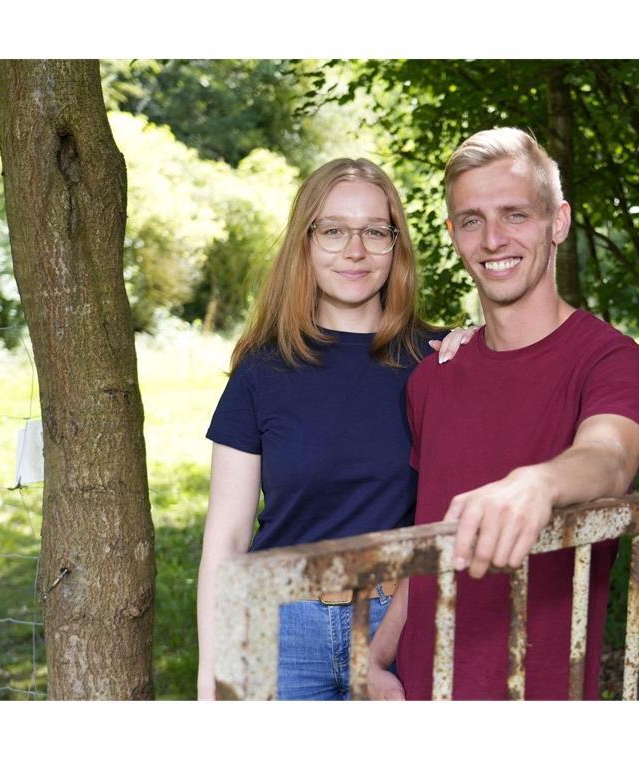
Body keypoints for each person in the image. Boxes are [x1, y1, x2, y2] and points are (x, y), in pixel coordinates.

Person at [368, 128, 639, 700]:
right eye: (471, 220)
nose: (493, 239)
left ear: (558, 222)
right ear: (453, 235)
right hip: (421, 693)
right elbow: (430, 540)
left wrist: (539, 483)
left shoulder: (612, 361)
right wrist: (375, 661)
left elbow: (610, 456)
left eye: (515, 215)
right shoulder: (432, 379)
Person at [196, 158, 471, 700]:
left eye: (374, 231)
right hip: (282, 628)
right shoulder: (261, 370)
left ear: (396, 245)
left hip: (401, 625)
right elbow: (226, 537)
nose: (355, 250)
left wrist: (479, 354)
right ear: (305, 242)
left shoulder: (440, 360)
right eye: (333, 230)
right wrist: (213, 674)